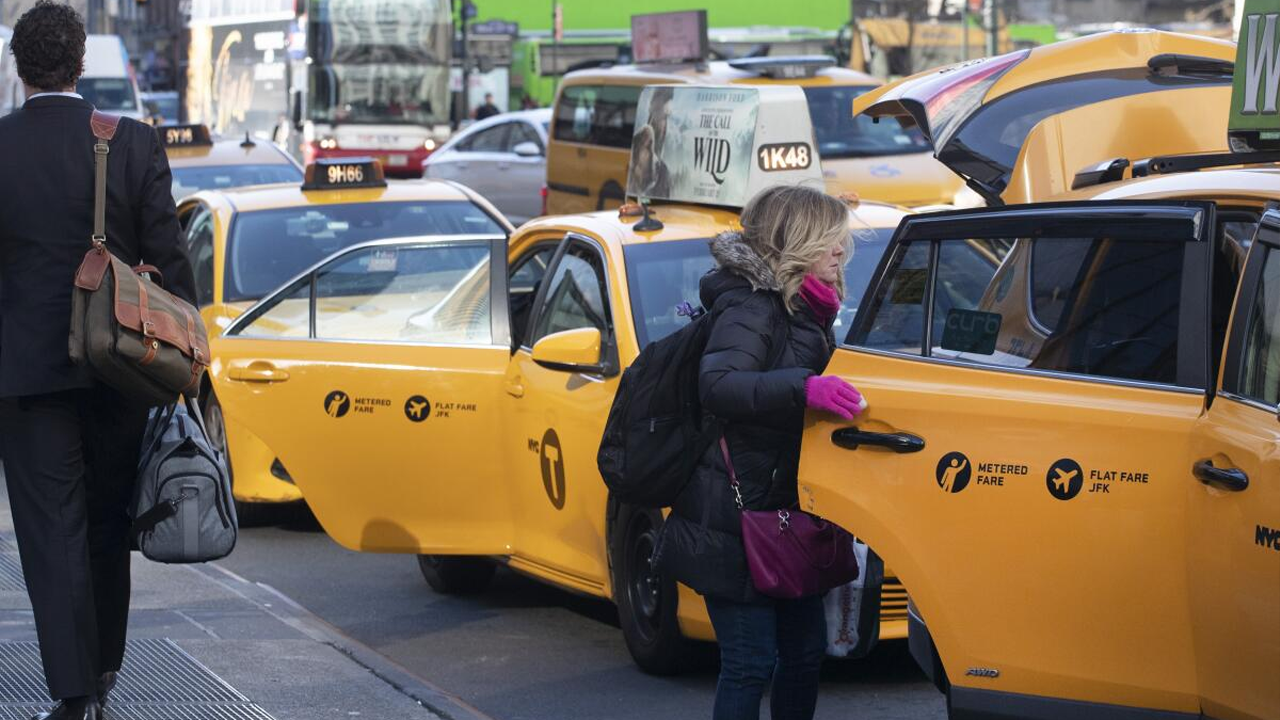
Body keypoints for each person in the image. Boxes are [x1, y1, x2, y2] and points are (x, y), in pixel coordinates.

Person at [0, 4, 197, 720]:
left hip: (25, 375)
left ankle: (75, 690)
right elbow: (172, 264)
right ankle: (106, 669)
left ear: (18, 70)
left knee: (52, 533)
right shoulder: (137, 143)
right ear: (80, 65)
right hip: (122, 368)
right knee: (109, 525)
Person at [657, 185, 864, 720]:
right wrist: (804, 387)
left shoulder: (808, 309)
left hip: (782, 512)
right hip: (733, 516)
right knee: (751, 661)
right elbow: (720, 384)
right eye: (830, 238)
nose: (841, 249)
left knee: (803, 654)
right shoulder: (753, 304)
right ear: (795, 239)